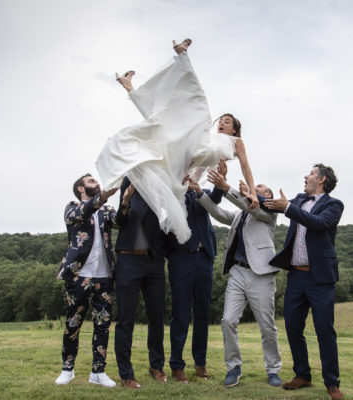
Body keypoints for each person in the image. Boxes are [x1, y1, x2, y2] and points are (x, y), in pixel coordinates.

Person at [95, 38, 259, 245]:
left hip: (188, 157)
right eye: (221, 121)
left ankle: (141, 80)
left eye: (227, 122)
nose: (222, 123)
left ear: (235, 129)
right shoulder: (208, 135)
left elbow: (243, 166)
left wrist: (251, 192)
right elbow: (204, 153)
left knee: (168, 122)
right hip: (190, 148)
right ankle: (170, 63)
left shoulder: (236, 142)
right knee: (169, 119)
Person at [189, 163, 283, 388]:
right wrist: (200, 192)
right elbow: (219, 213)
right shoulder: (242, 214)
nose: (254, 186)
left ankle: (273, 369)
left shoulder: (268, 213)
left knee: (266, 325)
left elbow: (252, 207)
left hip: (261, 274)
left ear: (267, 196)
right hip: (237, 272)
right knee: (228, 320)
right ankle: (233, 367)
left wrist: (226, 186)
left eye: (259, 186)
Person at [264, 164, 344, 400]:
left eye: (310, 173)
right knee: (292, 326)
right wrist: (241, 192)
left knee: (324, 331)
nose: (305, 176)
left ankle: (332, 382)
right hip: (296, 276)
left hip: (320, 278)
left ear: (321, 179)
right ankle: (303, 375)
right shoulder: (298, 199)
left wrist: (288, 207)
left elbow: (317, 223)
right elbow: (272, 204)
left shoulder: (334, 205)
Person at [55, 174, 119, 387]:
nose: (96, 182)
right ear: (81, 189)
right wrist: (102, 197)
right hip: (78, 276)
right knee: (73, 324)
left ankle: (98, 372)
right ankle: (67, 369)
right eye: (91, 181)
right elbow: (84, 211)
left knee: (103, 325)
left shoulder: (106, 210)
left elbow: (120, 222)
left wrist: (126, 200)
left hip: (105, 276)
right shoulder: (72, 207)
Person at [164, 165, 226, 384]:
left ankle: (200, 363)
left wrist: (221, 180)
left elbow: (216, 199)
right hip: (181, 257)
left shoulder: (203, 193)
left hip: (204, 257)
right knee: (180, 313)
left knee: (203, 313)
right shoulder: (172, 193)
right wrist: (179, 186)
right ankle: (177, 366)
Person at [113, 176, 168, 389]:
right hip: (128, 260)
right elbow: (119, 222)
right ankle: (126, 374)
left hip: (153, 261)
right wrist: (125, 201)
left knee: (157, 316)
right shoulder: (129, 184)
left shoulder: (160, 187)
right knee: (126, 318)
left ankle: (156, 366)